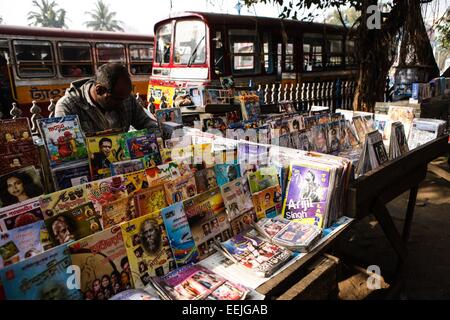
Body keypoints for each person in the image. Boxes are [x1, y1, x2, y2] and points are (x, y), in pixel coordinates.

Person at [55, 63, 158, 135]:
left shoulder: (125, 98)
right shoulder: (67, 106)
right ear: (99, 90)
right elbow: (70, 150)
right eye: (117, 99)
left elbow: (146, 123)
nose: (122, 103)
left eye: (124, 98)